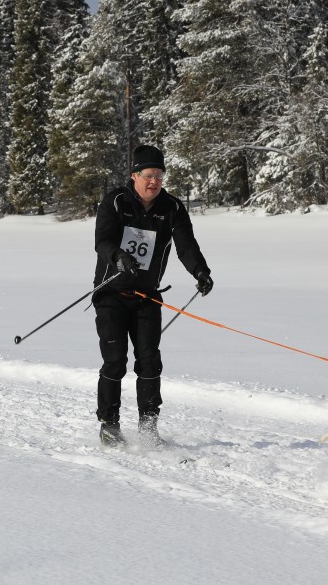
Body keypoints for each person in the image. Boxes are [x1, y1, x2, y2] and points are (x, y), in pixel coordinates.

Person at [92, 144, 213, 447]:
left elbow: (186, 244)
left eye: (159, 175)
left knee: (149, 362)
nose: (154, 182)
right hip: (111, 294)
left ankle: (148, 425)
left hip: (147, 296)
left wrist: (200, 272)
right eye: (148, 175)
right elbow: (102, 240)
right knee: (115, 361)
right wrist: (118, 256)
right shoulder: (116, 202)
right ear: (134, 175)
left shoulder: (171, 208)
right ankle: (109, 423)